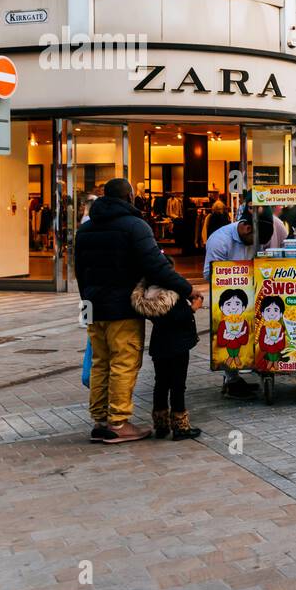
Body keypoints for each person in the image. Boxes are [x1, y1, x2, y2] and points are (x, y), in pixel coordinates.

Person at [75, 178, 194, 443]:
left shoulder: (85, 230)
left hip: (94, 306)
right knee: (123, 363)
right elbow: (156, 267)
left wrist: (86, 306)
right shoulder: (134, 226)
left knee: (100, 363)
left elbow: (79, 272)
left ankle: (100, 420)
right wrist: (187, 289)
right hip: (122, 309)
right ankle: (118, 423)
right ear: (129, 196)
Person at [203, 206, 282, 399]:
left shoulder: (257, 235)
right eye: (255, 241)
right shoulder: (220, 241)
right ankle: (232, 381)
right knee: (231, 337)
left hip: (252, 293)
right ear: (246, 228)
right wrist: (236, 276)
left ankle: (244, 374)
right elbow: (209, 274)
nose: (256, 246)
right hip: (230, 297)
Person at [139, 255, 205, 441]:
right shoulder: (168, 296)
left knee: (161, 383)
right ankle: (180, 426)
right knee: (177, 384)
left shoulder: (148, 295)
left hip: (159, 345)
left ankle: (161, 424)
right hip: (177, 344)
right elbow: (175, 318)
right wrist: (194, 308)